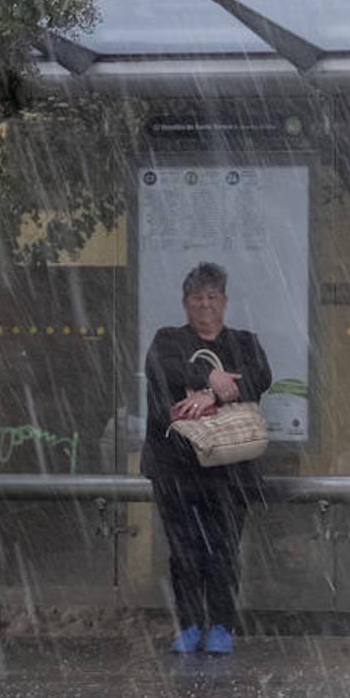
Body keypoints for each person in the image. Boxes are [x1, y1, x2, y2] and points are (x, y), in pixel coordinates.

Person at [142, 262, 272, 655]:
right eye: (197, 298)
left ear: (225, 302)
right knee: (183, 550)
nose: (205, 304)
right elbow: (160, 370)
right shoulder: (168, 339)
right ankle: (189, 625)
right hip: (176, 468)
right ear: (185, 304)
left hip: (229, 471)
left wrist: (211, 396)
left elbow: (259, 378)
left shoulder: (245, 343)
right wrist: (207, 375)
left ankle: (220, 626)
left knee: (224, 550)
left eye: (212, 296)